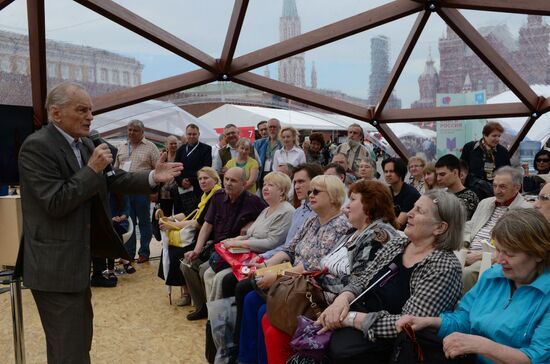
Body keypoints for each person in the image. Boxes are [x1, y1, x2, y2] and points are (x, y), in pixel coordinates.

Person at [18, 82, 183, 363]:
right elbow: (55, 202)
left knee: (77, 344)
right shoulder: (37, 148)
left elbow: (113, 179)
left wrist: (153, 178)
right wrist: (91, 169)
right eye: (81, 110)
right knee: (68, 350)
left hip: (77, 262)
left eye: (91, 110)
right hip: (54, 268)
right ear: (56, 113)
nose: (90, 116)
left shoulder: (84, 144)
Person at [317, 190, 465, 363]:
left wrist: (349, 319)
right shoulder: (398, 244)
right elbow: (362, 279)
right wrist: (342, 300)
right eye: (413, 207)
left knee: (337, 349)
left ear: (440, 227)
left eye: (419, 211)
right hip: (357, 319)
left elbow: (407, 324)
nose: (409, 213)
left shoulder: (444, 267)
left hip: (390, 343)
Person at [269, 180, 400, 363]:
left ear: (369, 205)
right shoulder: (353, 232)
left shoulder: (378, 235)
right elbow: (322, 267)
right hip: (322, 298)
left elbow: (359, 283)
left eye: (353, 199)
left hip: (343, 307)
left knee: (275, 327)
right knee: (269, 317)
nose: (347, 205)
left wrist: (320, 280)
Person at [397, 209, 550, 364]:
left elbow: (537, 358)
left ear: (539, 254)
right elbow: (464, 319)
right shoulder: (493, 276)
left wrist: (483, 346)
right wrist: (429, 322)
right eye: (498, 250)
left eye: (510, 254)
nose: (499, 259)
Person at [236, 163, 323, 364]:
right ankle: (244, 357)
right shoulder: (302, 212)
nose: (298, 186)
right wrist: (265, 264)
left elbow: (312, 264)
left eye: (302, 181)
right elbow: (288, 247)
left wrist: (273, 271)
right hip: (289, 267)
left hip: (305, 281)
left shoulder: (315, 216)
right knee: (248, 295)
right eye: (296, 181)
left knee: (252, 298)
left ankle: (249, 355)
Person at [259, 175, 352, 364]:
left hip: (314, 290)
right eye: (310, 192)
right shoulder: (312, 220)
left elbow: (316, 267)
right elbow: (289, 249)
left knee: (268, 318)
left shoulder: (341, 225)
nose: (310, 195)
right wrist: (266, 265)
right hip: (295, 281)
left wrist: (277, 275)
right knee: (255, 301)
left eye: (316, 191)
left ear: (333, 196)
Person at [182, 167, 266, 320]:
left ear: (244, 183)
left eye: (233, 180)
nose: (228, 183)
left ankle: (214, 316)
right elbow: (207, 225)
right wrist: (197, 250)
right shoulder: (218, 196)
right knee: (186, 264)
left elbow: (267, 217)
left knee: (203, 269)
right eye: (226, 179)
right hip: (215, 246)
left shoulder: (253, 201)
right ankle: (202, 307)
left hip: (234, 251)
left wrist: (252, 224)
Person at [203, 171, 294, 302]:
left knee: (220, 278)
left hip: (259, 259)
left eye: (271, 185)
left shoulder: (287, 211)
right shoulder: (266, 209)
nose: (265, 188)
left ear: (282, 191)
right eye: (264, 184)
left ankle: (223, 318)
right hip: (245, 255)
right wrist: (234, 240)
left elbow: (272, 243)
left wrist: (239, 244)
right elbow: (250, 234)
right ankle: (213, 314)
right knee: (208, 273)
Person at [157, 167, 221, 306]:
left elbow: (198, 223)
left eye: (206, 178)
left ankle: (187, 294)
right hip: (198, 235)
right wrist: (170, 219)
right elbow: (190, 213)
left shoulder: (215, 196)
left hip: (209, 238)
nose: (202, 181)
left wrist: (172, 225)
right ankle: (186, 291)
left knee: (177, 254)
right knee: (171, 249)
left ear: (215, 180)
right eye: (200, 179)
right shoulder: (205, 196)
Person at [462, 166, 532, 293]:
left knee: (466, 274)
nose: (497, 191)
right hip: (468, 251)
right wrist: (464, 247)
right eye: (494, 186)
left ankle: (460, 310)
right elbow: (469, 227)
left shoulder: (526, 210)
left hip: (493, 257)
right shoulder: (486, 202)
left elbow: (515, 246)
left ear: (517, 187)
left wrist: (480, 256)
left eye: (503, 187)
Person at [114, 119, 161, 264]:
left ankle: (144, 252)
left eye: (135, 130)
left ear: (142, 132)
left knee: (144, 222)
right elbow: (116, 168)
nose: (131, 133)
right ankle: (128, 254)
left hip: (142, 190)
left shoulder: (151, 147)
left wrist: (155, 191)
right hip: (125, 192)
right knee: (128, 222)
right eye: (129, 130)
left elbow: (158, 171)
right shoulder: (122, 147)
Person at [461, 122, 511, 199]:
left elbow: (508, 172)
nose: (497, 139)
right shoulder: (470, 147)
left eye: (499, 136)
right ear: (485, 135)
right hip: (472, 191)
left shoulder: (503, 151)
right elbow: (462, 167)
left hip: (493, 192)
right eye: (494, 136)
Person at [175, 124, 213, 201]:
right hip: (181, 187)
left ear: (198, 134)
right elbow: (175, 168)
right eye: (189, 134)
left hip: (198, 187)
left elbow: (206, 168)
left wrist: (190, 180)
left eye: (194, 134)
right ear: (186, 134)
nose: (192, 136)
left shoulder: (206, 149)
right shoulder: (180, 149)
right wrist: (180, 181)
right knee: (181, 212)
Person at [436, 154, 479, 219]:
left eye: (442, 174)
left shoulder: (469, 198)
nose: (438, 179)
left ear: (455, 173)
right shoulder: (441, 194)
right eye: (437, 175)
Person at [382, 157, 421, 229]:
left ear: (400, 173)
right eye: (386, 171)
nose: (388, 174)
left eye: (391, 171)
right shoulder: (386, 191)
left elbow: (399, 224)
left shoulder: (411, 194)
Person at [254, 118, 282, 188]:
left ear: (279, 128)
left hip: (278, 177)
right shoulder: (259, 143)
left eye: (274, 127)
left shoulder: (284, 143)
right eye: (270, 127)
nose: (272, 129)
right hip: (262, 177)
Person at [158, 135, 180, 216]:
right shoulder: (162, 156)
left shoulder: (180, 155)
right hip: (164, 190)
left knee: (178, 212)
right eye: (171, 144)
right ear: (166, 145)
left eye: (175, 143)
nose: (174, 145)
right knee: (165, 213)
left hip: (178, 189)